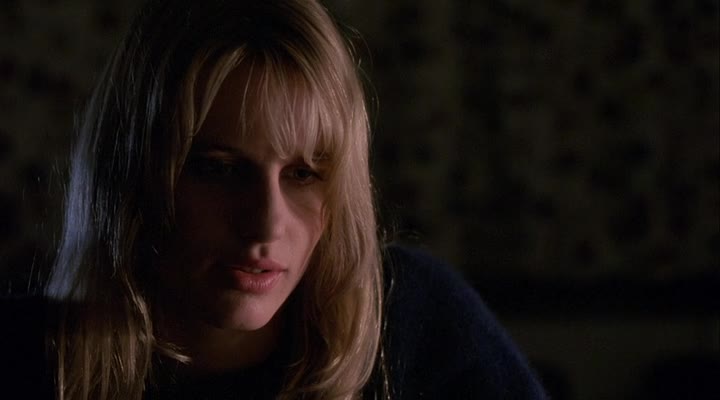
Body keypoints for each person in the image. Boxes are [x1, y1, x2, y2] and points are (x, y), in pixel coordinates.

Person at [0, 0, 547, 399]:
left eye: (303, 174)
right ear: (135, 174)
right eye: (219, 170)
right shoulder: (25, 359)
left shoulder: (416, 324)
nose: (265, 224)